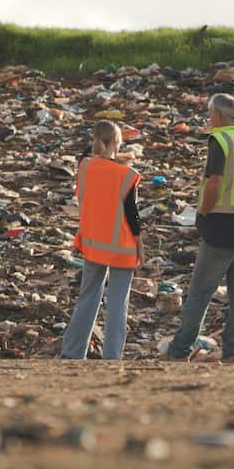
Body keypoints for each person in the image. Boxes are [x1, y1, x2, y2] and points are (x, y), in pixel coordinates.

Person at [166, 93, 234, 362]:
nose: (209, 119)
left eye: (210, 114)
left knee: (200, 292)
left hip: (222, 225)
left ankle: (179, 350)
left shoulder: (221, 139)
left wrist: (203, 212)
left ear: (219, 115)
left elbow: (214, 183)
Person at [60, 121, 144, 360]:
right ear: (117, 141)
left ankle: (72, 353)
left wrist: (111, 152)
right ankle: (112, 358)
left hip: (93, 243)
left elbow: (88, 156)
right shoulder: (126, 174)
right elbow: (132, 214)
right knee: (117, 305)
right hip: (121, 247)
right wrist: (140, 245)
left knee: (87, 298)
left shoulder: (85, 166)